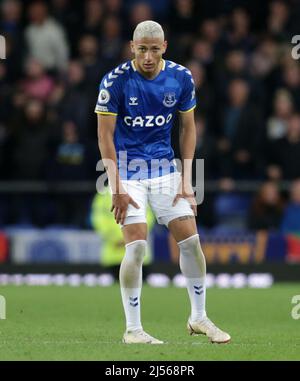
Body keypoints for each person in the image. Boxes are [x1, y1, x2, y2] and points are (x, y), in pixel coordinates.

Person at [95, 20, 230, 344]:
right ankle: (133, 329)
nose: (148, 57)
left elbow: (188, 129)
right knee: (138, 245)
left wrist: (188, 179)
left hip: (167, 171)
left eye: (154, 49)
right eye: (142, 49)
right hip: (127, 171)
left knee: (191, 241)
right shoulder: (115, 82)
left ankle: (198, 317)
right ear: (132, 47)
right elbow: (104, 137)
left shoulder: (181, 78)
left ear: (164, 47)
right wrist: (116, 188)